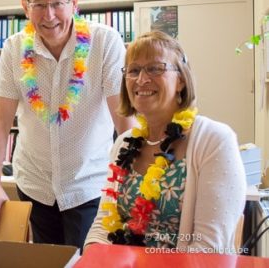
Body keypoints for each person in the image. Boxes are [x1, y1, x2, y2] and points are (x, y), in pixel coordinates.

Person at [0, 0, 135, 249]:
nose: (48, 15)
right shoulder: (14, 48)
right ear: (26, 7)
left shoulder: (105, 42)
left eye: (57, 3)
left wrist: (132, 183)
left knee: (87, 262)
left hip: (89, 185)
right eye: (39, 4)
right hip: (34, 184)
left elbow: (124, 120)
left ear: (74, 2)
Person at [84, 31, 246, 253]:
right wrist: (94, 257)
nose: (142, 79)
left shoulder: (214, 140)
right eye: (134, 70)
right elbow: (103, 224)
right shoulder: (124, 143)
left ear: (180, 80)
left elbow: (208, 247)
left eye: (155, 68)